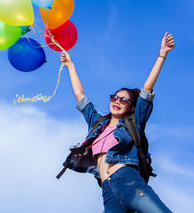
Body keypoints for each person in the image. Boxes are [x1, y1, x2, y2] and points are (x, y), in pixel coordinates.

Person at [60, 31, 175, 213]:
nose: (117, 101)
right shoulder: (97, 125)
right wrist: (70, 65)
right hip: (108, 192)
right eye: (114, 97)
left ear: (131, 108)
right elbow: (81, 96)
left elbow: (146, 89)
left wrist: (162, 54)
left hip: (128, 182)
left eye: (124, 100)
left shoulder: (133, 123)